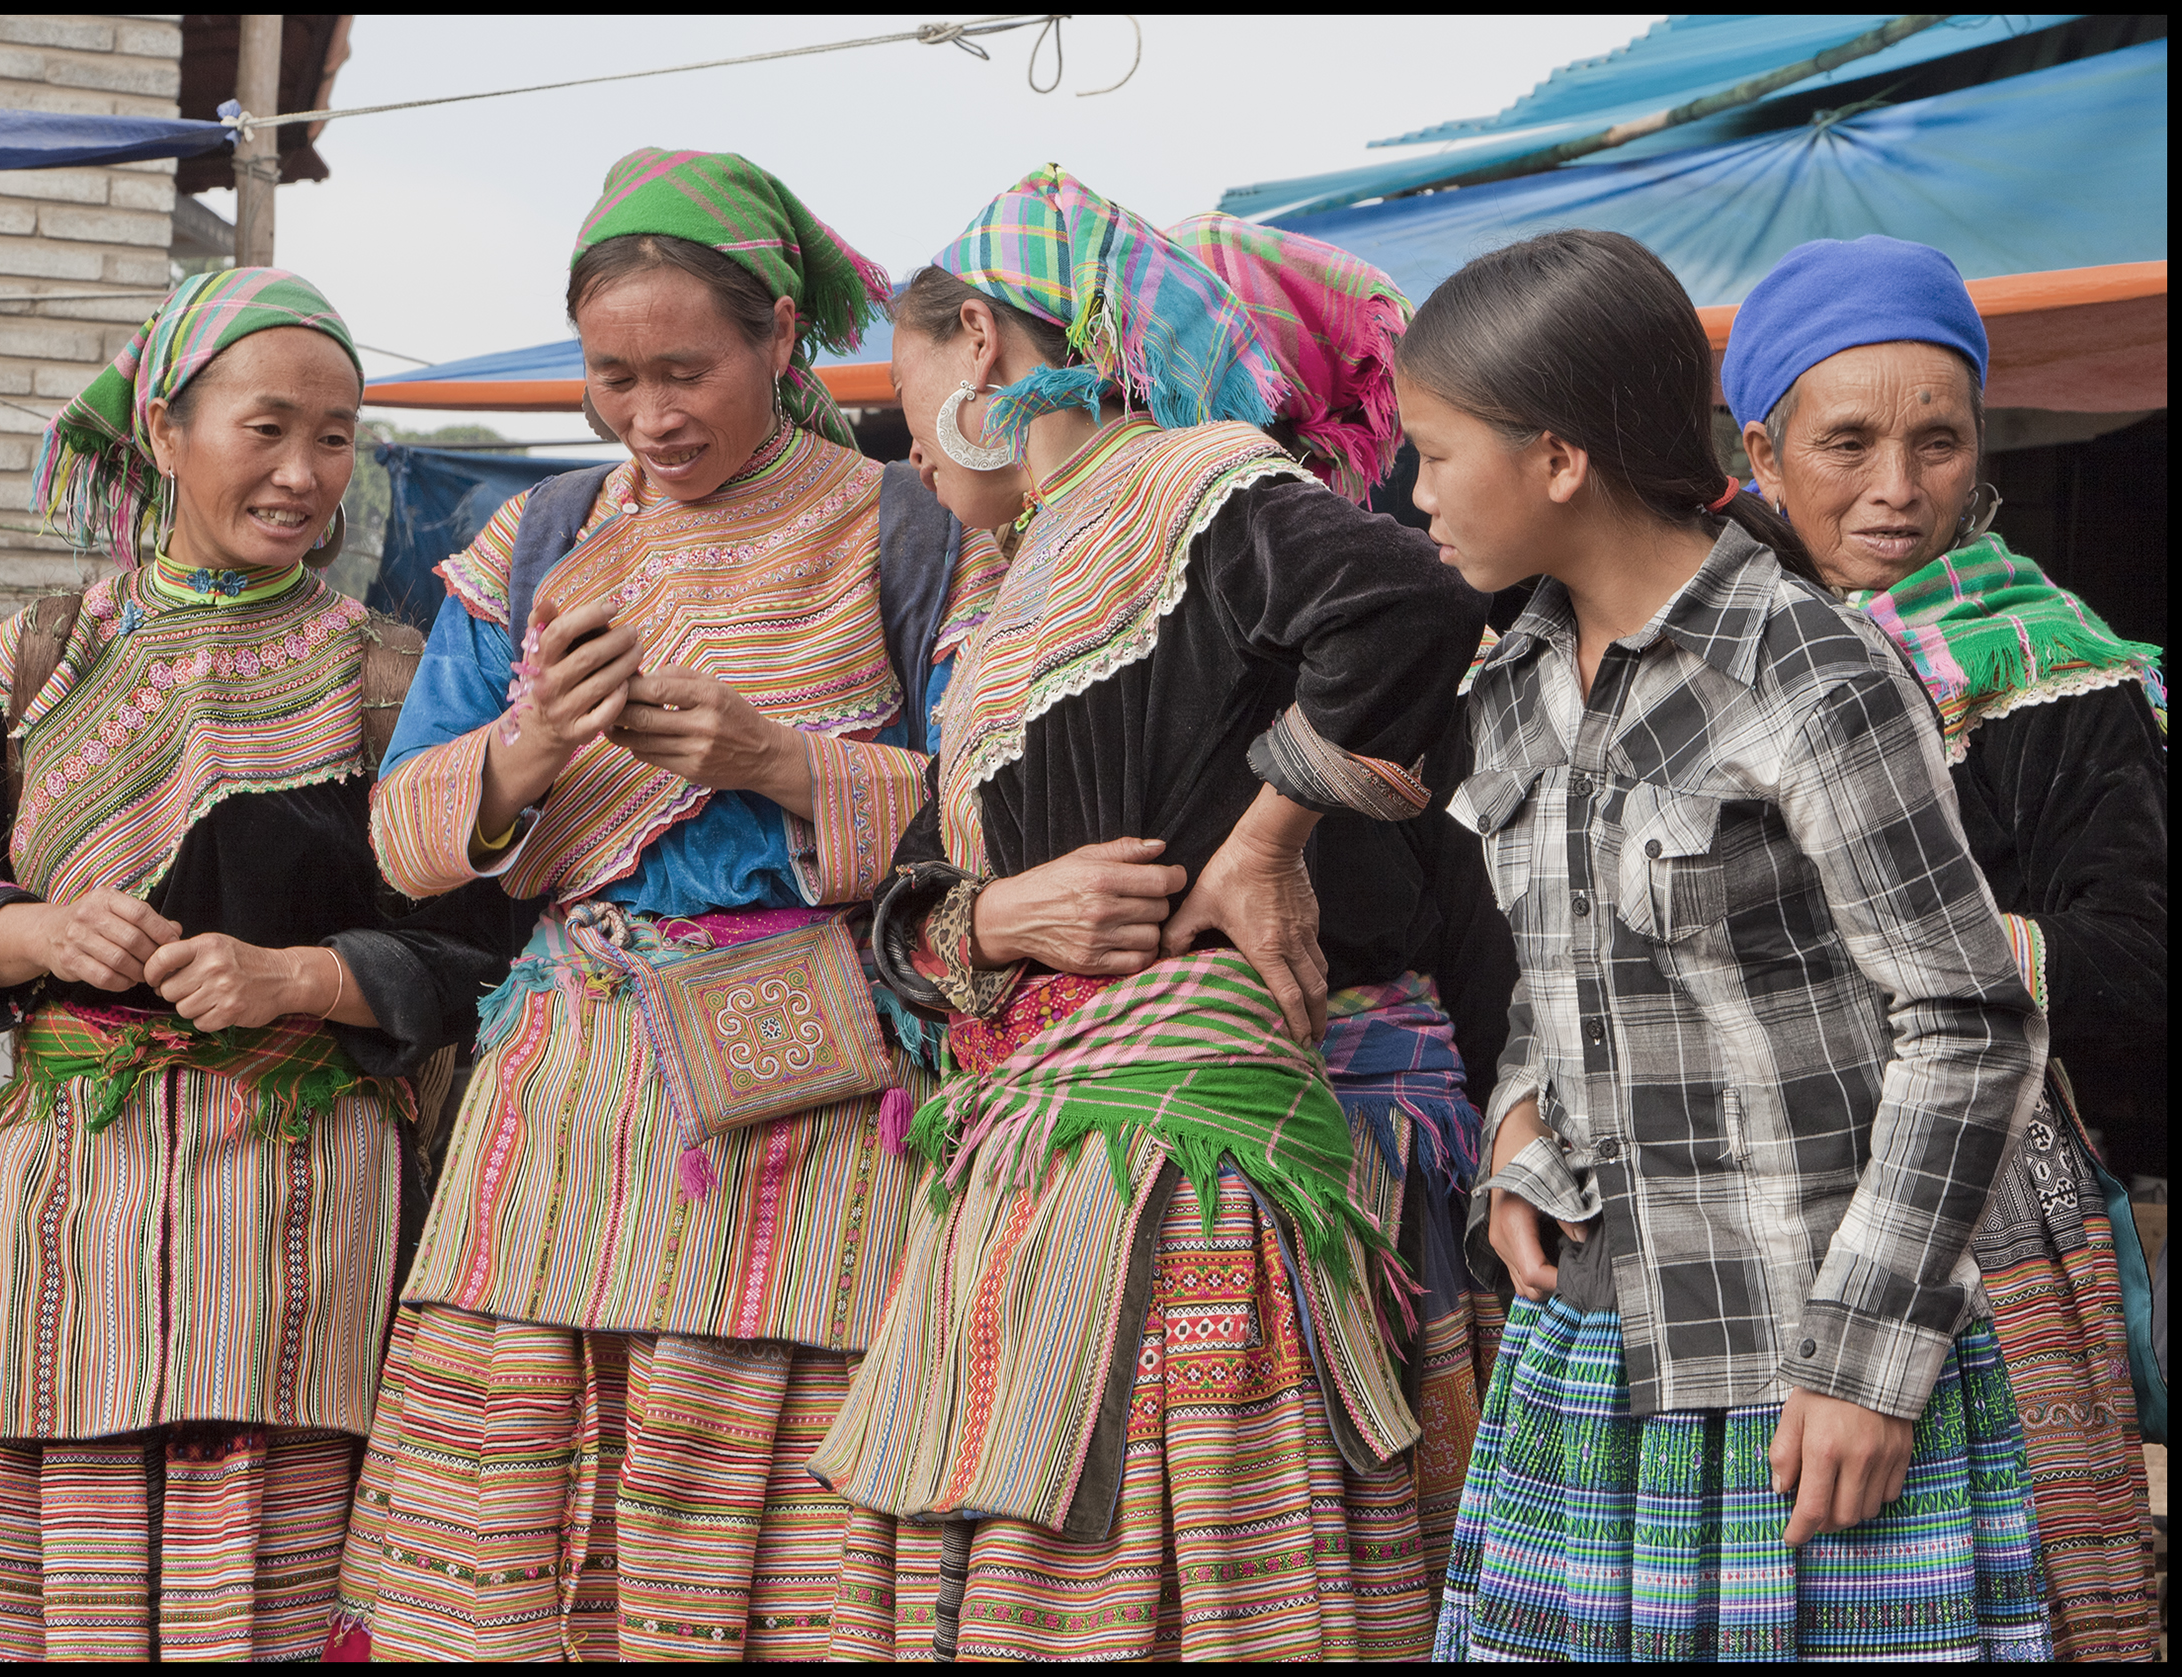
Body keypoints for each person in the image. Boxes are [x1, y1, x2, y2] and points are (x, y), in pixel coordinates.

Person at [326, 147, 1004, 1662]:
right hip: (558, 1081)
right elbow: (402, 834)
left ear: (780, 338)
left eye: (687, 370)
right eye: (612, 375)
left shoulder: (905, 535)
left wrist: (778, 759)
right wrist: (525, 750)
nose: (650, 414)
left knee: (755, 1502)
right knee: (512, 1506)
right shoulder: (538, 541)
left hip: (802, 1088)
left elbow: (993, 806)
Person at [809, 166, 1490, 1660]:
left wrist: (1266, 840)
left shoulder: (1199, 484)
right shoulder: (1005, 599)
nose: (907, 442)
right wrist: (1000, 922)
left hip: (1184, 1153)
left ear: (978, 342)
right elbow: (925, 905)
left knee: (1171, 1576)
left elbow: (1413, 610)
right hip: (1033, 1161)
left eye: (908, 386)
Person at [1414, 228, 2053, 1662]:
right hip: (1595, 1355)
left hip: (1803, 1380)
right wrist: (1523, 1131)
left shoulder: (1811, 676)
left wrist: (1872, 1363)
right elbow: (1557, 977)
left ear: (1559, 455)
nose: (1416, 491)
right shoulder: (1512, 683)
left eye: (1440, 451)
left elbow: (1970, 1023)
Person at [0, 267, 510, 1662]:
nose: (303, 473)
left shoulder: (392, 680)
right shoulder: (37, 660)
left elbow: (490, 947)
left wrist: (307, 980)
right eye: (266, 427)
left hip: (305, 1231)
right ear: (165, 430)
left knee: (270, 1600)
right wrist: (37, 930)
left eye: (335, 437)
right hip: (69, 1220)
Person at [1724, 234, 2163, 1662]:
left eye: (1938, 440)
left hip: (1987, 1226)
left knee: (1995, 1601)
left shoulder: (2056, 672)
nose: (1897, 488)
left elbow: (2133, 961)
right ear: (1763, 452)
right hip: (1723, 1218)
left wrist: (1902, 958)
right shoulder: (1685, 662)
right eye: (1847, 441)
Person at [1171, 208, 1521, 1584]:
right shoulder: (1117, 562)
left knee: (1345, 1536)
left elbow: (1468, 899)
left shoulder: (1369, 569)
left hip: (1358, 1124)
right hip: (1191, 1120)